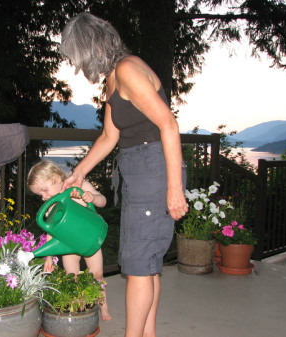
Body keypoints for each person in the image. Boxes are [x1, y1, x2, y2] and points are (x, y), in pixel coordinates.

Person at [59, 12, 188, 337]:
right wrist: (79, 174)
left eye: (78, 57)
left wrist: (174, 189)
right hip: (138, 171)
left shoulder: (129, 69)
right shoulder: (116, 77)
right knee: (146, 266)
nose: (78, 66)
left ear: (90, 49)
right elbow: (109, 136)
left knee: (138, 267)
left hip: (152, 169)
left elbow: (168, 125)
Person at [27, 160, 111, 320]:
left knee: (97, 275)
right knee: (71, 277)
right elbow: (51, 232)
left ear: (57, 177)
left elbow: (103, 201)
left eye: (44, 190)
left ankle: (103, 306)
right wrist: (49, 257)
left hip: (90, 240)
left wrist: (92, 197)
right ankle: (79, 307)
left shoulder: (80, 186)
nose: (44, 197)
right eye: (40, 195)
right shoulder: (53, 205)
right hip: (68, 245)